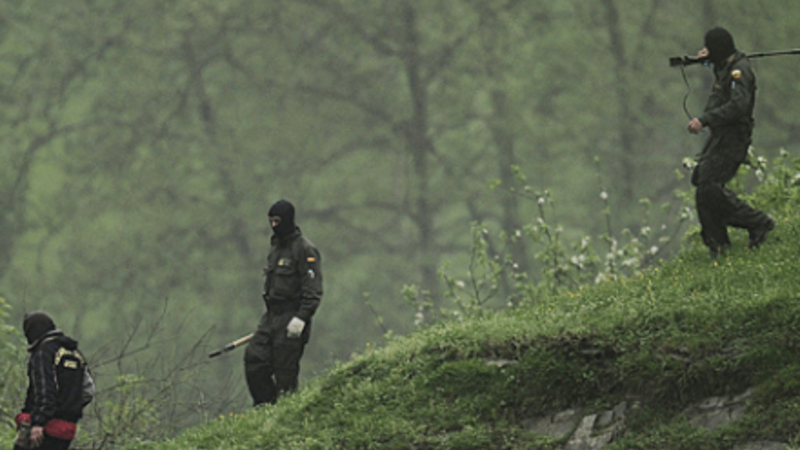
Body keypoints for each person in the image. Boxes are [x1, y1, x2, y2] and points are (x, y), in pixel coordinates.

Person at [687, 27, 775, 258]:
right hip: (721, 138)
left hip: (733, 138)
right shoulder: (726, 67)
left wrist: (705, 120)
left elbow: (738, 106)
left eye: (710, 48)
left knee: (709, 186)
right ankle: (717, 244)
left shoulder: (739, 71)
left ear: (718, 49)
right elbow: (724, 85)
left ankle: (757, 222)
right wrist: (710, 62)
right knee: (703, 184)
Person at [244, 199, 322, 406]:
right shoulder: (276, 248)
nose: (273, 225)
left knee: (284, 373)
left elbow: (313, 290)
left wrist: (301, 318)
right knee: (254, 359)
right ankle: (265, 408)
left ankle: (285, 413)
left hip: (292, 317)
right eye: (270, 221)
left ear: (287, 220)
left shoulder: (305, 250)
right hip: (271, 317)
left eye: (277, 221)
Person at [14, 312, 94, 450]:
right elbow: (88, 390)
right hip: (67, 429)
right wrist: (70, 408)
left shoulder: (43, 352)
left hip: (45, 427)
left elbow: (45, 389)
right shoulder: (74, 352)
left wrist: (39, 422)